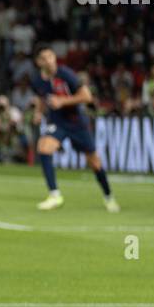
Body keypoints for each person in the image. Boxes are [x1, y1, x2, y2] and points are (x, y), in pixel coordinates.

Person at [29, 45, 119, 213]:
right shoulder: (36, 80)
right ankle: (55, 195)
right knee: (44, 148)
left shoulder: (66, 74)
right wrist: (38, 113)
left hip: (77, 122)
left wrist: (63, 101)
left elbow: (87, 96)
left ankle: (109, 196)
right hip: (57, 121)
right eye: (45, 57)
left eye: (51, 56)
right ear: (39, 62)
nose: (49, 60)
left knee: (94, 162)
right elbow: (42, 98)